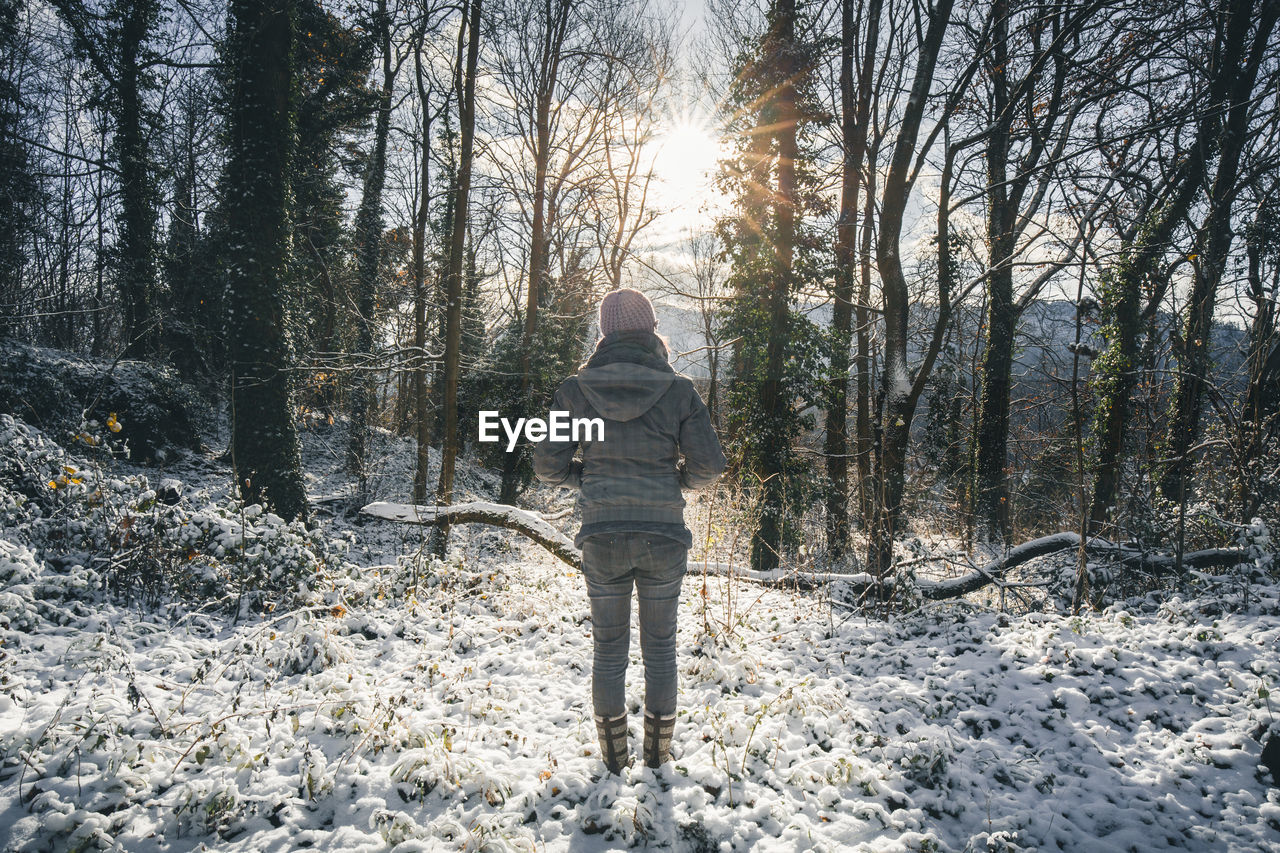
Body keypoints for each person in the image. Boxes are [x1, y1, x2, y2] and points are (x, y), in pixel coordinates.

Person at [533, 288, 726, 774]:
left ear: (605, 333)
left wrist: (590, 478)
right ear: (651, 329)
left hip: (603, 535)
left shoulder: (574, 391)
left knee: (608, 648)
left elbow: (547, 467)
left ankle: (615, 762)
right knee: (660, 647)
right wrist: (672, 481)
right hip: (663, 534)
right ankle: (658, 758)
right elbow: (708, 467)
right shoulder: (680, 390)